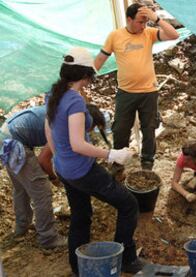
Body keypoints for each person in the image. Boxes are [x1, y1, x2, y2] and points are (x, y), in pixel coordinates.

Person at [45, 47, 141, 275]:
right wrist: (111, 154)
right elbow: (78, 144)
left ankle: (78, 268)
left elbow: (48, 130)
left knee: (81, 215)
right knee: (128, 205)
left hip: (65, 169)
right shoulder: (74, 102)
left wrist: (58, 157)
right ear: (85, 74)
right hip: (81, 170)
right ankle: (126, 259)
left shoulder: (53, 93)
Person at [94, 3, 179, 173]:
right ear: (129, 19)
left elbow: (174, 34)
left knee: (149, 129)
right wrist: (83, 79)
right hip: (126, 93)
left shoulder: (149, 33)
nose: (143, 25)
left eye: (146, 22)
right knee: (120, 129)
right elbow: (100, 60)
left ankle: (147, 163)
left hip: (149, 92)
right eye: (140, 21)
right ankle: (119, 163)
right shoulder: (115, 36)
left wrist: (155, 18)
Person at [0, 105, 71, 249]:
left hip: (5, 136)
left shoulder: (61, 108)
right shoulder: (64, 124)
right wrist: (53, 178)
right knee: (42, 192)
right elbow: (43, 159)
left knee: (21, 188)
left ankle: (22, 226)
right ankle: (48, 238)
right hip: (15, 143)